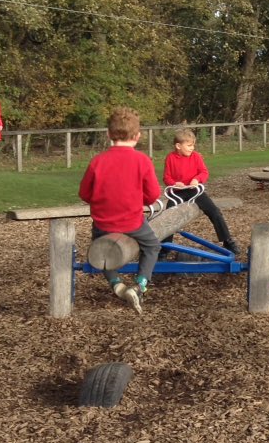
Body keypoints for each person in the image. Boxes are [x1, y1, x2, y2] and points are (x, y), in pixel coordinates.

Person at [78, 107, 161, 314]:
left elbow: (84, 193)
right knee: (152, 246)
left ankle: (116, 283)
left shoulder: (97, 161)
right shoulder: (142, 161)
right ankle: (140, 284)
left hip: (103, 224)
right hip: (132, 222)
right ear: (138, 136)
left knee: (99, 247)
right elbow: (152, 196)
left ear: (108, 134)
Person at [163, 127, 240, 255]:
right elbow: (166, 177)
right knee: (169, 215)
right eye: (188, 145)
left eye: (193, 145)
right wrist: (174, 183)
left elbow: (204, 172)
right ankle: (165, 248)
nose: (192, 148)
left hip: (194, 190)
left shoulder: (196, 157)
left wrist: (197, 180)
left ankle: (227, 240)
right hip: (177, 192)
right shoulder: (170, 158)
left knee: (214, 211)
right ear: (178, 146)